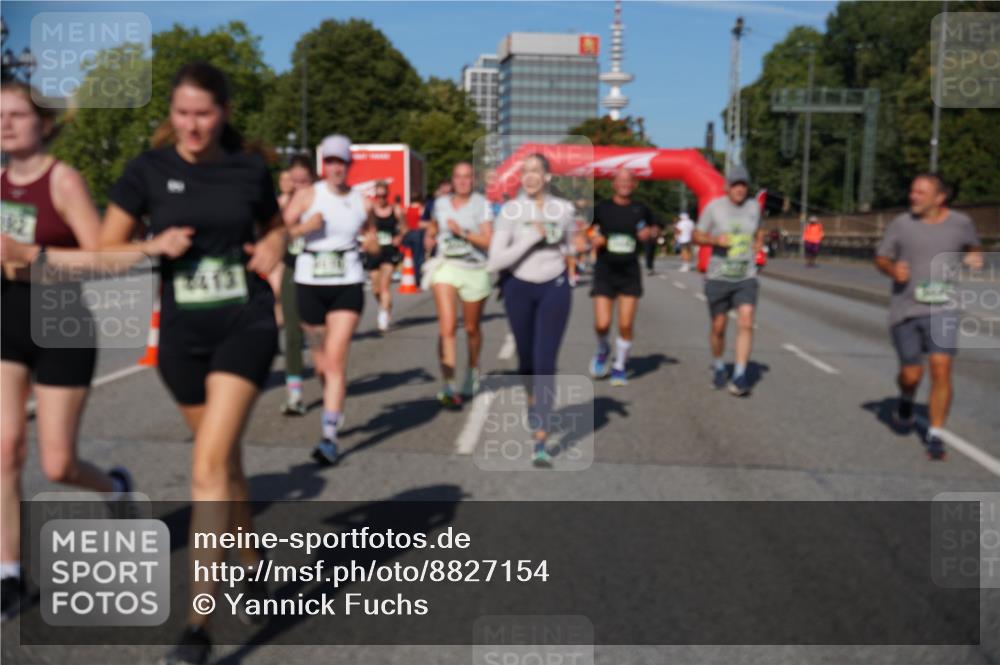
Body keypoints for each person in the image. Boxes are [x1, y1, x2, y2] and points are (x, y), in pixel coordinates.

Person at [98, 62, 287, 664]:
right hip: (181, 335)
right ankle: (250, 558)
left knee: (206, 462)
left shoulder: (249, 168)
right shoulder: (147, 172)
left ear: (224, 112)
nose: (192, 125)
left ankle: (198, 624)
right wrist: (152, 245)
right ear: (171, 114)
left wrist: (276, 244)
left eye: (204, 114)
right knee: (223, 455)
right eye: (182, 113)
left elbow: (276, 223)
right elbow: (106, 251)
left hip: (245, 321)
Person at [0, 80, 134, 621]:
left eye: (17, 115)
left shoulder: (64, 181)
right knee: (5, 450)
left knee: (57, 463)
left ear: (44, 124)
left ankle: (115, 486)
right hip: (6, 322)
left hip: (61, 324)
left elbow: (105, 259)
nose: (6, 124)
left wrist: (30, 254)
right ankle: (9, 572)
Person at [874, 173, 982, 461]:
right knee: (911, 374)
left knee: (941, 366)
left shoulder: (961, 223)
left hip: (943, 307)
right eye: (912, 191)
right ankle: (907, 399)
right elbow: (881, 257)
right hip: (905, 309)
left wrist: (974, 257)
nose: (913, 197)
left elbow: (972, 247)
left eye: (921, 192)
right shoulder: (901, 224)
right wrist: (891, 269)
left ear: (939, 198)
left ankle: (935, 434)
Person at [283, 134, 376, 466]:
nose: (336, 168)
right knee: (322, 363)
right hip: (309, 284)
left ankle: (329, 437)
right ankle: (333, 405)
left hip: (347, 284)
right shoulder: (308, 195)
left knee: (335, 361)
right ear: (325, 166)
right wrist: (305, 226)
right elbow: (278, 234)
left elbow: (372, 236)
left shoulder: (362, 201)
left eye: (342, 162)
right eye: (331, 162)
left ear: (349, 165)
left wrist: (373, 243)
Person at [487, 153, 576, 467]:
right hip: (518, 289)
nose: (530, 176)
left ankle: (541, 434)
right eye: (525, 172)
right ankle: (533, 403)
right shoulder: (511, 211)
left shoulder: (564, 210)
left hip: (554, 287)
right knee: (526, 360)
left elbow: (570, 247)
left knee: (544, 361)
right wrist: (531, 237)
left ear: (548, 177)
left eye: (536, 171)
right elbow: (495, 261)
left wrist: (580, 248)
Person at [692, 165, 764, 397]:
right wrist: (714, 240)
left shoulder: (754, 207)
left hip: (746, 276)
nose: (739, 189)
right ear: (727, 187)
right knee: (719, 327)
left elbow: (759, 230)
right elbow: (696, 235)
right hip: (718, 276)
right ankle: (720, 365)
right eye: (735, 184)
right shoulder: (714, 208)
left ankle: (741, 374)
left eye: (743, 184)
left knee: (745, 320)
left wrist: (758, 243)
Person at [426, 162, 493, 407]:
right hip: (446, 265)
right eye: (458, 177)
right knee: (447, 326)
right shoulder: (441, 203)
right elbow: (435, 225)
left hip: (474, 268)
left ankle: (473, 368)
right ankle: (448, 384)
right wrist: (430, 235)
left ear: (473, 180)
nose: (463, 181)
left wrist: (463, 232)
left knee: (472, 328)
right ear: (452, 180)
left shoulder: (482, 205)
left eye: (467, 177)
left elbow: (488, 240)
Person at [587, 168, 659, 386]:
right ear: (614, 184)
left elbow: (655, 227)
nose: (625, 184)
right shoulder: (602, 208)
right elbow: (585, 229)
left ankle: (619, 365)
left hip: (629, 272)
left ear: (634, 184)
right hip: (605, 271)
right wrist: (594, 238)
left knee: (625, 325)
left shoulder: (641, 209)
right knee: (602, 324)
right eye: (621, 180)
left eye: (629, 181)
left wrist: (650, 233)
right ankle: (602, 349)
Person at [278, 155, 315, 416]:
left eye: (303, 177)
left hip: (319, 271)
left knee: (318, 334)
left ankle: (331, 381)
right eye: (295, 177)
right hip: (292, 268)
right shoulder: (283, 203)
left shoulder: (322, 198)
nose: (298, 182)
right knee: (292, 333)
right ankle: (295, 394)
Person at [367, 181, 404, 332]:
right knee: (376, 289)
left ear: (388, 195)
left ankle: (383, 317)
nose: (381, 199)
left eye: (383, 196)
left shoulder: (396, 210)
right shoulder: (370, 210)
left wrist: (399, 237)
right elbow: (364, 228)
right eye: (378, 196)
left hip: (389, 251)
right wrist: (368, 237)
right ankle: (385, 304)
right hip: (374, 251)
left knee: (384, 285)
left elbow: (405, 228)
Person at [402, 194, 427, 280]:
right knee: (418, 256)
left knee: (409, 256)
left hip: (408, 233)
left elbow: (404, 220)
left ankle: (408, 274)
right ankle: (417, 276)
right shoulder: (421, 208)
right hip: (418, 233)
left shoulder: (406, 209)